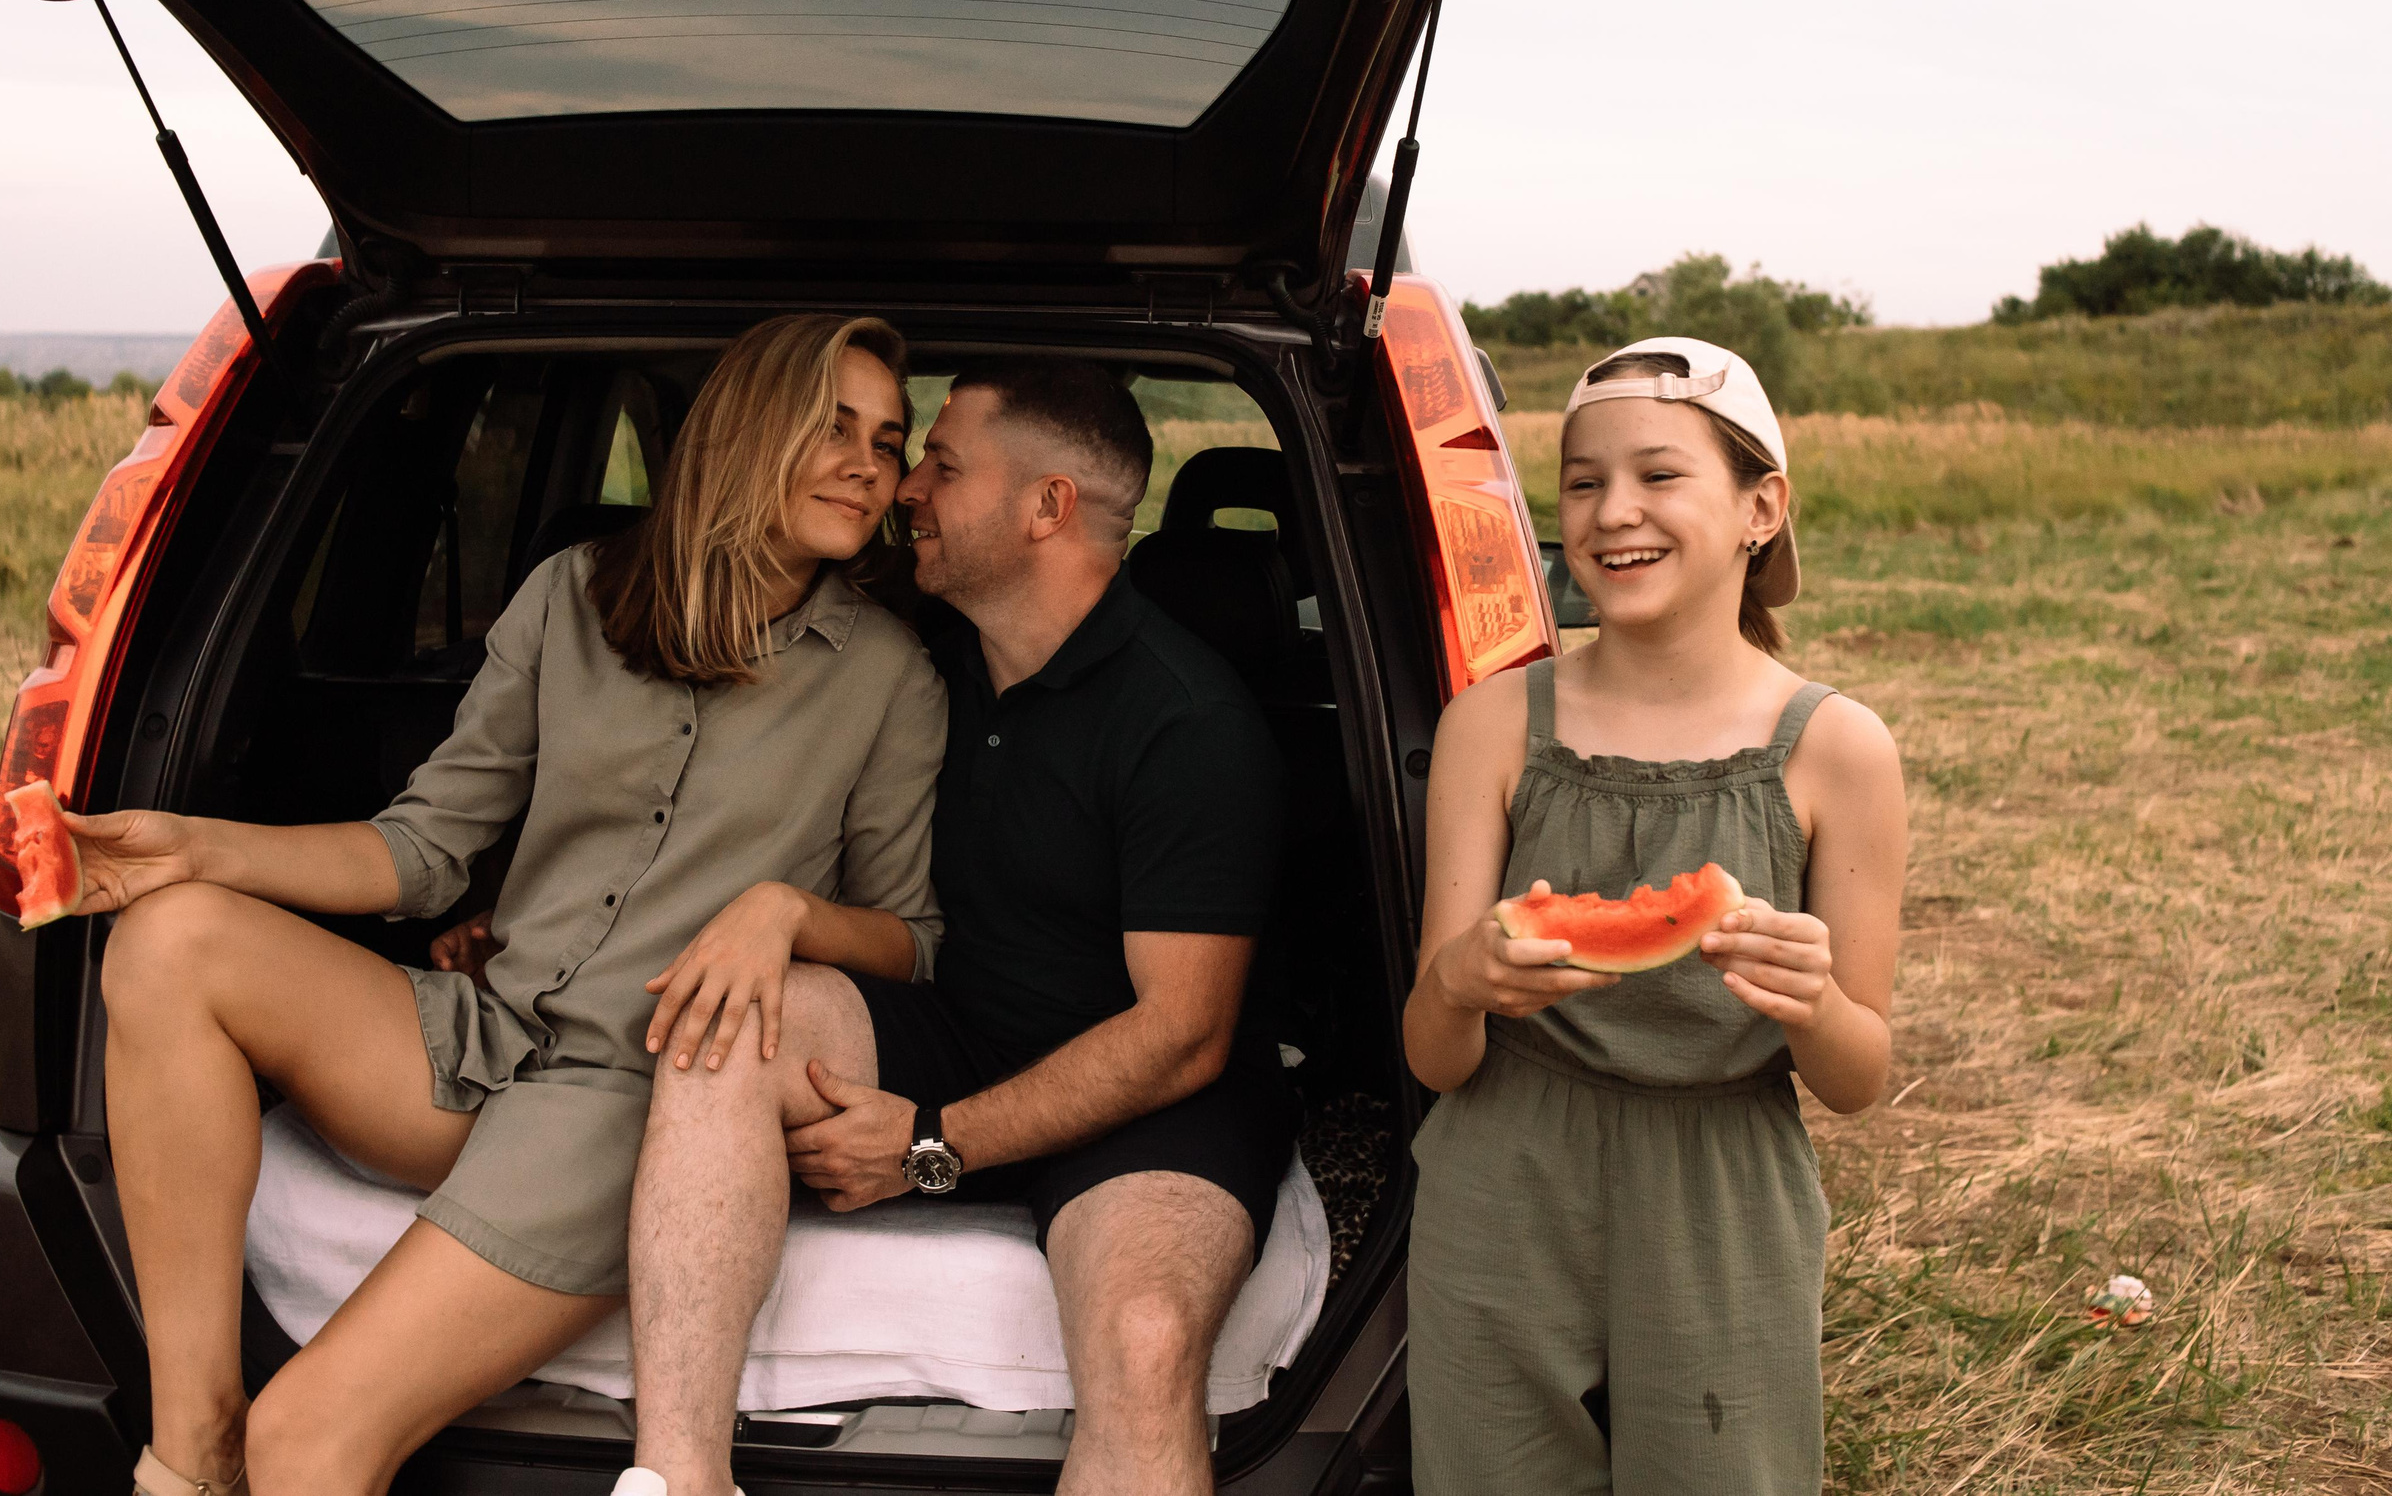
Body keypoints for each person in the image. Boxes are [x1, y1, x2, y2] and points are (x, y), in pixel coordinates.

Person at [69, 314, 949, 1496]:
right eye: (833, 426)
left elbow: (911, 944)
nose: (867, 462)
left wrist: (783, 910)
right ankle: (192, 1437)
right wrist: (198, 847)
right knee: (170, 937)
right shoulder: (569, 598)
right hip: (485, 1036)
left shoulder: (890, 673)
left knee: (311, 1442)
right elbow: (423, 850)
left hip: (626, 1103)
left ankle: (251, 1446)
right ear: (747, 429)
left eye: (889, 442)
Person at [609, 359, 1296, 1496]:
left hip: (1148, 1094)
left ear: (1046, 508)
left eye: (941, 462)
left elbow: (1181, 1035)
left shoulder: (1186, 721)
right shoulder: (918, 659)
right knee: (726, 1024)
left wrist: (934, 1143)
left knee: (1145, 1340)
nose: (906, 489)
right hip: (957, 1022)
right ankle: (678, 1481)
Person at [1400, 338, 1906, 1495]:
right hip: (1502, 1175)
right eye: (1581, 481)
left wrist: (1811, 1002)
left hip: (1722, 1189)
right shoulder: (1491, 723)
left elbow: (1858, 1073)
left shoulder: (1836, 749)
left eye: (1658, 475)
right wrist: (1463, 982)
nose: (1611, 512)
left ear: (1759, 507)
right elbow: (1433, 1055)